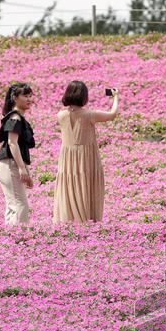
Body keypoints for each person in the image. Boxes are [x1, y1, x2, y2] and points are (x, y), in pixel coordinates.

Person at [53, 81, 119, 224]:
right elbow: (112, 114)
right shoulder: (90, 114)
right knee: (85, 185)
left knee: (70, 187)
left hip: (67, 160)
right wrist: (115, 97)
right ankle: (86, 221)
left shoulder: (61, 115)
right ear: (83, 96)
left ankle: (69, 219)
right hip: (86, 158)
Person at [0, 83, 36, 225]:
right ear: (15, 98)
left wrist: (25, 169)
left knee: (14, 204)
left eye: (30, 96)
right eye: (25, 96)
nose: (29, 99)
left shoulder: (17, 117)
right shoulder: (15, 118)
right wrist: (21, 168)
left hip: (11, 164)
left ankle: (12, 240)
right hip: (10, 164)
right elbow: (12, 143)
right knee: (19, 204)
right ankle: (19, 239)